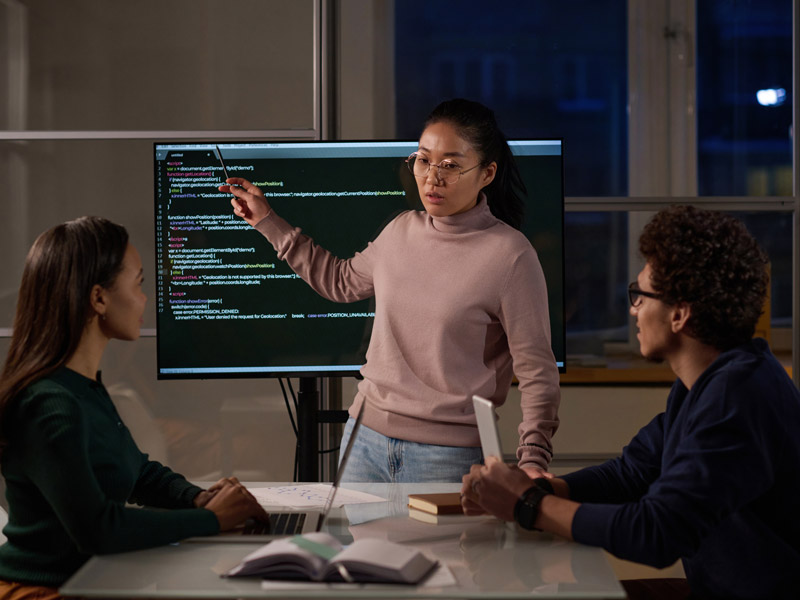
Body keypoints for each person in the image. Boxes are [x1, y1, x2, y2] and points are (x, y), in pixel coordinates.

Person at [461, 205, 800, 600]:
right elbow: (631, 474)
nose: (632, 309)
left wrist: (528, 504)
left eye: (640, 296)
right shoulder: (711, 379)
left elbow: (656, 533)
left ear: (680, 314)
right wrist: (538, 488)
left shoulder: (736, 397)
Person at [220, 98, 560, 482]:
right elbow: (340, 281)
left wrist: (533, 460)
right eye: (423, 159)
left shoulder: (510, 256)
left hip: (448, 457)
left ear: (486, 173)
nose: (433, 177)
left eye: (450, 164)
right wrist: (266, 220)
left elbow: (537, 371)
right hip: (362, 442)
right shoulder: (401, 229)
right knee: (357, 546)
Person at [0, 217, 269, 599]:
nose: (147, 297)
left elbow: (136, 470)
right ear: (99, 298)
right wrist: (210, 519)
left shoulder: (84, 386)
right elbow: (100, 529)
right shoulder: (49, 404)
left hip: (88, 582)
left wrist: (195, 497)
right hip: (40, 591)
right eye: (140, 282)